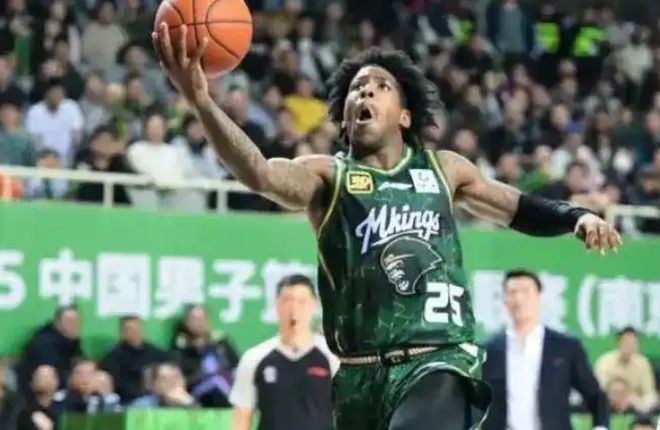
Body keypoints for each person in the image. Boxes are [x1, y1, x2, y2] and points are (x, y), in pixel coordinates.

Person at [152, 26, 621, 429]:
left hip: (438, 360)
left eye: (380, 86)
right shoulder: (328, 176)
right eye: (357, 88)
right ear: (344, 116)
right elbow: (258, 173)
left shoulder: (443, 170)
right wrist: (201, 101)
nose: (366, 93)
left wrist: (574, 216)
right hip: (358, 376)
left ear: (405, 114)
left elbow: (517, 207)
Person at [482, 269, 609, 430]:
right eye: (512, 292)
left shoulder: (565, 347)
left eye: (525, 292)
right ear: (504, 300)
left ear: (539, 297)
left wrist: (600, 427)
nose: (518, 298)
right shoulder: (489, 350)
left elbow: (595, 395)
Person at [229, 274, 338, 430]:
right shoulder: (255, 358)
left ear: (314, 305)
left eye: (302, 302)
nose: (294, 309)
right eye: (287, 301)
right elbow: (241, 418)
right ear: (277, 304)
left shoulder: (331, 357)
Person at [173, 305, 239, 408]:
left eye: (202, 319)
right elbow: (182, 379)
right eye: (194, 319)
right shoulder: (180, 349)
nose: (199, 323)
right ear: (186, 323)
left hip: (226, 391)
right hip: (196, 394)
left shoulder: (221, 344)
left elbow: (236, 367)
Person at [101, 316, 170, 404]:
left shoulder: (156, 352)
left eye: (135, 329)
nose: (133, 332)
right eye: (128, 329)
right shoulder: (113, 356)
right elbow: (117, 383)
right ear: (122, 332)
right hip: (128, 399)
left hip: (157, 395)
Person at [595, 327, 659, 414]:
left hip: (634, 405)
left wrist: (634, 402)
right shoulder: (605, 362)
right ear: (618, 343)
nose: (629, 346)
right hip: (608, 404)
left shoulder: (643, 364)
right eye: (626, 343)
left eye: (633, 343)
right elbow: (598, 389)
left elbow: (649, 393)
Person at [18, 306, 82, 393]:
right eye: (69, 321)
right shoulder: (44, 344)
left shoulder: (73, 342)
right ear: (57, 323)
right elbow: (49, 376)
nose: (74, 325)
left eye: (76, 321)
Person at [130, 363, 197, 408]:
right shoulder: (142, 406)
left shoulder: (191, 401)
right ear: (154, 385)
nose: (172, 382)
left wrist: (189, 404)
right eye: (164, 379)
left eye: (176, 377)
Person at [16, 365, 59, 430]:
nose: (41, 380)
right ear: (31, 383)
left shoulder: (64, 410)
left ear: (56, 382)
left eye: (46, 377)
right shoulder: (24, 413)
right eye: (38, 377)